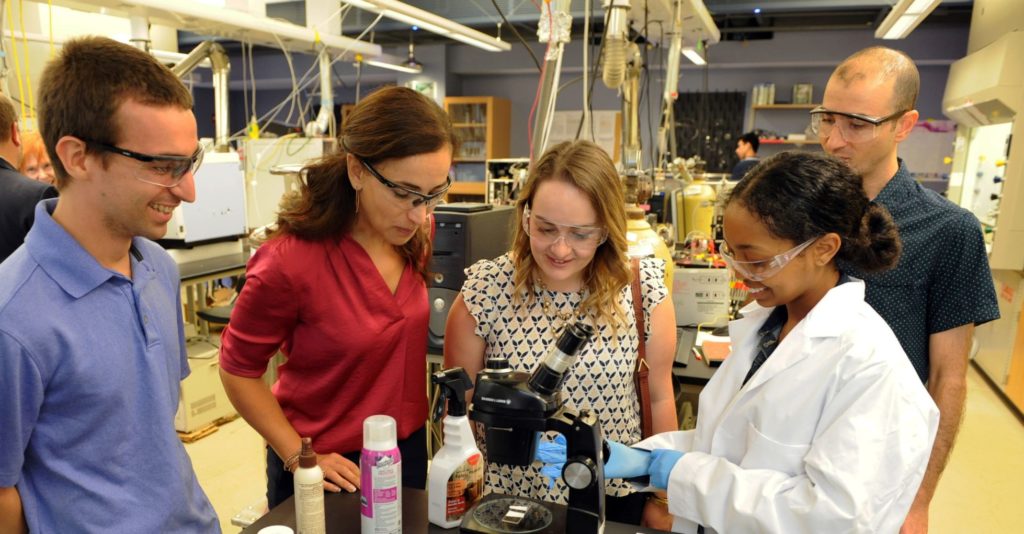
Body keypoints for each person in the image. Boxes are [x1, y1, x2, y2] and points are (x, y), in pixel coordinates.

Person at [601, 151, 939, 533]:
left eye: (758, 262)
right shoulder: (767, 326)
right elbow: (730, 443)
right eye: (732, 254)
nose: (742, 274)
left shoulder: (871, 368)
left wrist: (681, 472)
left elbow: (831, 519)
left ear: (824, 249)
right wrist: (648, 457)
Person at [0, 37, 218, 532]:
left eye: (190, 162)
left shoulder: (159, 267)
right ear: (77, 157)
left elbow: (148, 439)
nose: (187, 190)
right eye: (162, 166)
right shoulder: (12, 320)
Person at [218, 86, 455, 508]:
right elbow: (238, 370)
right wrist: (299, 457)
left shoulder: (415, 235)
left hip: (407, 453)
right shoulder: (289, 261)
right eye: (403, 193)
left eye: (433, 194)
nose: (419, 213)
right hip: (326, 468)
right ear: (356, 171)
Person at [444, 140, 679, 529]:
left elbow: (659, 397)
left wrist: (663, 496)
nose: (561, 249)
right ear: (525, 218)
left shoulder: (643, 290)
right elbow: (458, 414)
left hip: (614, 497)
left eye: (581, 234)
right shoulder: (485, 291)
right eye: (546, 228)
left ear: (606, 230)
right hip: (508, 501)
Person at [814, 46, 999, 533]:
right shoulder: (802, 211)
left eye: (856, 124)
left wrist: (918, 502)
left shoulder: (950, 230)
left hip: (881, 459)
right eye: (826, 119)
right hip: (792, 440)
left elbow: (948, 378)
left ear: (904, 124)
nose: (833, 140)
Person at [0, 93, 57, 263]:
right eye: (31, 169)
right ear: (14, 132)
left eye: (47, 165)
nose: (41, 175)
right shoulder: (37, 197)